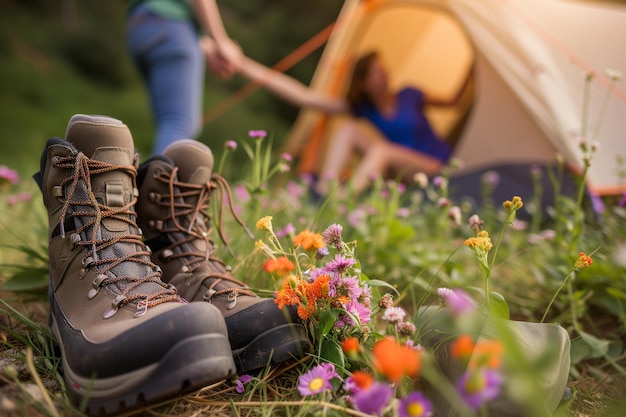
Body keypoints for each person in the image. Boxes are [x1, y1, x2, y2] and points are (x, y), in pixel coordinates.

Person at [236, 50, 466, 194]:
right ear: (363, 83)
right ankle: (324, 190)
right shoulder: (365, 109)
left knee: (382, 150)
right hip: (400, 172)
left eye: (383, 69)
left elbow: (455, 101)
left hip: (436, 168)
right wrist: (242, 64)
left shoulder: (410, 94)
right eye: (375, 73)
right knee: (348, 128)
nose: (383, 75)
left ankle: (341, 202)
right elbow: (304, 97)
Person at [126, 0, 242, 155]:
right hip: (172, 24)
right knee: (180, 124)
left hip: (140, 25)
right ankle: (157, 179)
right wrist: (221, 41)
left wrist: (204, 44)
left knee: (169, 123)